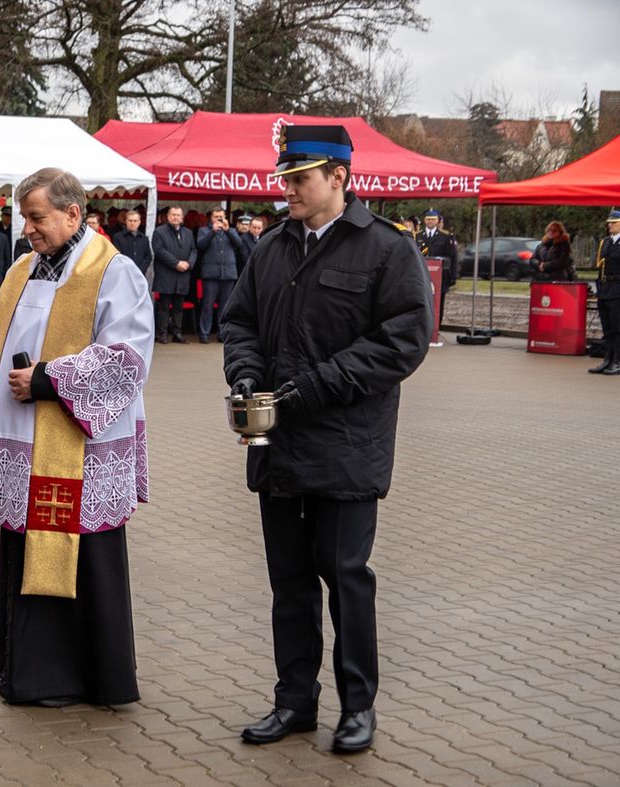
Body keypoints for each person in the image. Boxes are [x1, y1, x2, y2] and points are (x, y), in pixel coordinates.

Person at [222, 124, 432, 754]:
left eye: (299, 179)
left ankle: (357, 707)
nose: (286, 189)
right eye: (284, 178)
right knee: (288, 581)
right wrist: (247, 376)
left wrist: (318, 385)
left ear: (339, 176)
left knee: (344, 578)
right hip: (279, 446)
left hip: (346, 442)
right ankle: (294, 703)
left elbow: (404, 339)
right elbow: (240, 323)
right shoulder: (272, 247)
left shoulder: (387, 250)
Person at [0, 167, 153, 706]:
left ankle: (91, 678)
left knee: (84, 557)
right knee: (28, 550)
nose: (28, 228)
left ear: (73, 214)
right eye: (25, 217)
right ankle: (32, 675)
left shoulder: (114, 273)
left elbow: (127, 358)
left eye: (37, 217)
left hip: (80, 452)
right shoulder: (23, 269)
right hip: (25, 444)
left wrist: (47, 379)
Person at [196, 207, 245, 343]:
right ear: (211, 218)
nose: (218, 219)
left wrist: (227, 230)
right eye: (216, 216)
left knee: (225, 307)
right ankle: (204, 333)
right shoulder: (204, 231)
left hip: (228, 274)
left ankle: (222, 333)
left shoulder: (232, 230)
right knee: (207, 305)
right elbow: (200, 245)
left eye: (221, 216)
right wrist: (212, 232)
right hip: (210, 274)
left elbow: (239, 244)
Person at [150, 206, 195, 344]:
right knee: (164, 306)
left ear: (182, 218)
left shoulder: (188, 232)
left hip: (182, 275)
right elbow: (159, 250)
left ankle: (177, 333)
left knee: (178, 307)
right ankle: (162, 333)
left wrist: (189, 263)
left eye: (178, 215)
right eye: (173, 215)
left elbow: (194, 249)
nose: (176, 217)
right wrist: (176, 263)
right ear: (168, 216)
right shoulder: (159, 232)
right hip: (166, 274)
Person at [415, 208, 458, 328]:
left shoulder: (445, 236)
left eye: (433, 219)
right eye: (428, 219)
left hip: (440, 277)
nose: (430, 222)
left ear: (438, 221)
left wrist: (453, 276)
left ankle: (436, 327)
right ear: (424, 221)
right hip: (421, 275)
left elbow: (452, 257)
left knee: (438, 302)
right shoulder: (417, 236)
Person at [591, 210, 620, 375]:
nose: (610, 225)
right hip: (605, 289)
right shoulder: (606, 242)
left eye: (614, 222)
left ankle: (617, 360)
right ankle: (607, 359)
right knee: (607, 328)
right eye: (609, 222)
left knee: (618, 328)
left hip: (618, 289)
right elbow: (601, 267)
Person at [112, 210, 152, 275]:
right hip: (123, 274)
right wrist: (129, 270)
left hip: (140, 274)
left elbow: (148, 257)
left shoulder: (144, 239)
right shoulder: (117, 237)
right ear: (126, 221)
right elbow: (117, 256)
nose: (132, 223)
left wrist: (140, 270)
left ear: (139, 222)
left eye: (135, 221)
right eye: (130, 220)